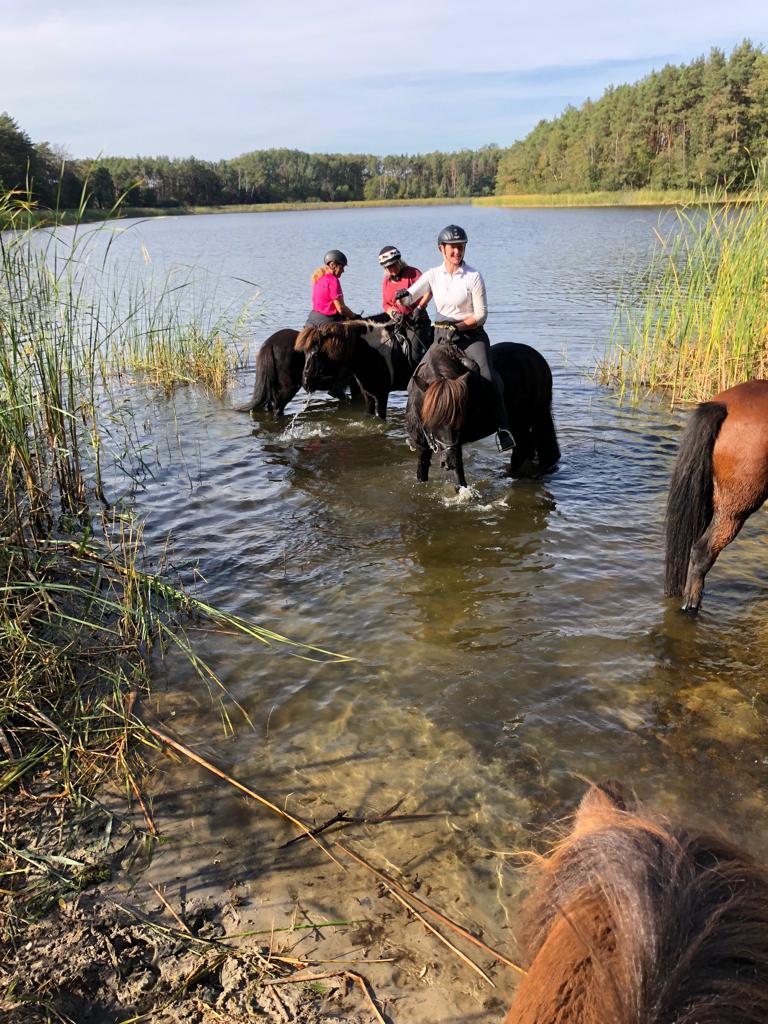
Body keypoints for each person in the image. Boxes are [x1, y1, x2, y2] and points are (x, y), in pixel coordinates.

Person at [394, 225, 515, 451]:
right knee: (414, 381)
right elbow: (410, 299)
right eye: (453, 248)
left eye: (461, 248)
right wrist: (401, 297)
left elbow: (480, 315)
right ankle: (414, 433)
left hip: (470, 335)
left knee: (488, 377)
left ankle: (503, 428)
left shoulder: (473, 276)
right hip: (441, 337)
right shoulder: (433, 275)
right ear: (442, 249)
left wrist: (458, 327)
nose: (457, 252)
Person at [377, 245, 432, 363]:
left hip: (416, 321)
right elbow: (385, 304)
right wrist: (393, 313)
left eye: (393, 264)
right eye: (388, 267)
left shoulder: (413, 273)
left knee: (414, 357)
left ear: (399, 261)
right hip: (398, 321)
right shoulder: (386, 280)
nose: (391, 269)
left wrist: (420, 307)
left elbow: (429, 291)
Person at [305, 250, 359, 328]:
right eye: (342, 267)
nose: (343, 271)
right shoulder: (333, 280)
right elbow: (341, 308)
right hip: (328, 322)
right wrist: (355, 316)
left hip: (312, 320)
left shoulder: (318, 278)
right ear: (333, 264)